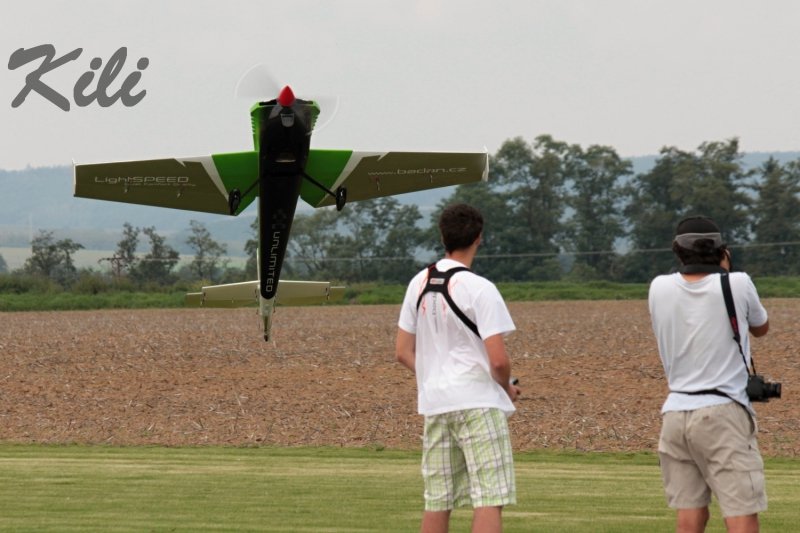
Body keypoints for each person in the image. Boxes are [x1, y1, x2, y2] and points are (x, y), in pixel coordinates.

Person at [396, 203, 521, 533]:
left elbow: (402, 352)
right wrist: (506, 387)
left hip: (436, 403)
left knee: (438, 499)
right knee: (489, 497)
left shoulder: (418, 283)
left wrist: (434, 375)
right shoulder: (480, 288)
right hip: (478, 401)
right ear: (479, 238)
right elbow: (498, 361)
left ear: (443, 237)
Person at [648, 215, 770, 533]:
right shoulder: (737, 283)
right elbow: (761, 327)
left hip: (676, 412)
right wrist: (725, 271)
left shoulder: (658, 287)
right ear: (721, 251)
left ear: (677, 250)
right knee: (741, 513)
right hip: (723, 411)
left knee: (689, 517)